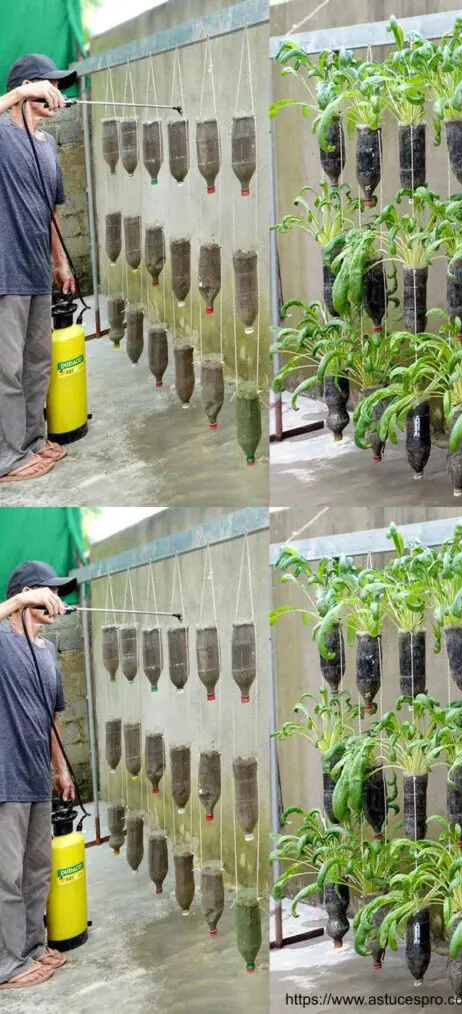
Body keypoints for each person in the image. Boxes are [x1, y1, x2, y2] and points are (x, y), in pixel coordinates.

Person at [0, 54, 77, 484]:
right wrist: (18, 94)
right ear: (28, 89)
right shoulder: (2, 134)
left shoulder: (47, 147)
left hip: (36, 271)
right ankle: (5, 457)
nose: (56, 93)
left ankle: (29, 442)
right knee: (5, 369)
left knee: (37, 363)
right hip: (5, 271)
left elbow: (52, 211)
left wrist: (60, 263)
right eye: (48, 85)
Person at [0, 561, 76, 991]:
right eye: (49, 592)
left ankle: (29, 949)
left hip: (36, 778)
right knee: (5, 876)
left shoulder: (47, 654)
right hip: (4, 777)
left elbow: (52, 716)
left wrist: (61, 769)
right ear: (29, 595)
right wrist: (17, 602)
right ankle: (4, 965)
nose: (57, 600)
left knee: (36, 870)